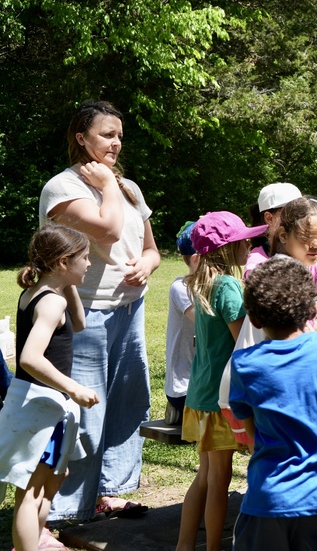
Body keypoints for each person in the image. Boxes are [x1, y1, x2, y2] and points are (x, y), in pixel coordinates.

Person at [40, 100, 161, 522]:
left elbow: (151, 250)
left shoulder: (129, 188)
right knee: (85, 408)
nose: (116, 143)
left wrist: (146, 266)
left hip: (129, 309)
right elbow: (108, 231)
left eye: (119, 137)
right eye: (107, 134)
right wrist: (108, 185)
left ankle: (114, 489)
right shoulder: (62, 188)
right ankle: (70, 506)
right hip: (83, 313)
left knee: (130, 401)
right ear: (81, 138)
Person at [228, 257, 317, 551]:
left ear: (253, 318)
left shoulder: (244, 364)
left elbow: (251, 432)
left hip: (268, 501)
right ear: (313, 309)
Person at [0, 225, 99, 551]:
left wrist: (68, 285)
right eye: (84, 258)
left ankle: (37, 539)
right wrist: (74, 388)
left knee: (56, 476)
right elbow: (29, 358)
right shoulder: (50, 303)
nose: (88, 264)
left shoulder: (44, 293)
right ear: (62, 262)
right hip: (39, 407)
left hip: (49, 408)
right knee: (30, 491)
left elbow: (80, 322)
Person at [177, 211, 266, 551]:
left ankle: (185, 545)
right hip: (220, 397)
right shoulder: (228, 285)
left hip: (202, 393)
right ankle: (213, 547)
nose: (249, 243)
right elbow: (242, 343)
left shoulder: (204, 279)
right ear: (227, 248)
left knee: (206, 477)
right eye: (243, 240)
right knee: (219, 480)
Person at [165, 222, 198, 426]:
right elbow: (209, 323)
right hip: (185, 389)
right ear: (197, 259)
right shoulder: (181, 288)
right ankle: (181, 410)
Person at [245, 182, 303, 278]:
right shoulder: (257, 264)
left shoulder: (307, 252)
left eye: (301, 212)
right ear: (269, 218)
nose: (299, 219)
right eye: (290, 212)